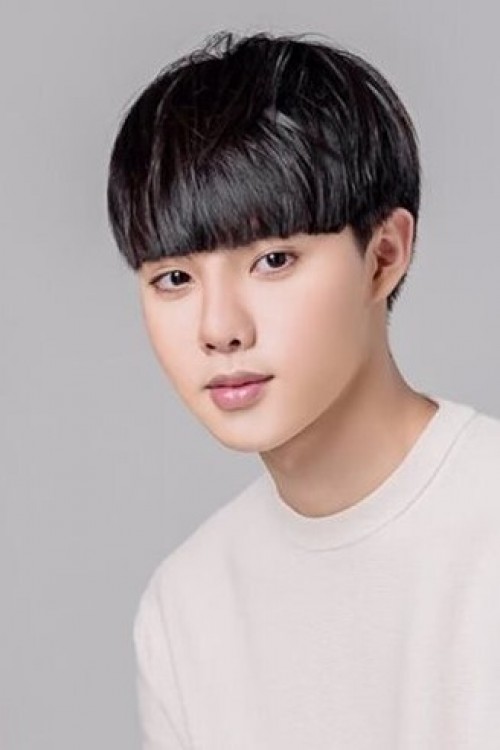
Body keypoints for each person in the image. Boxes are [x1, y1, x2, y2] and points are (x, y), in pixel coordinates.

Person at [106, 29, 500, 750]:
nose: (219, 329)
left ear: (383, 257)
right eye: (175, 278)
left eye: (273, 260)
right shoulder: (185, 607)